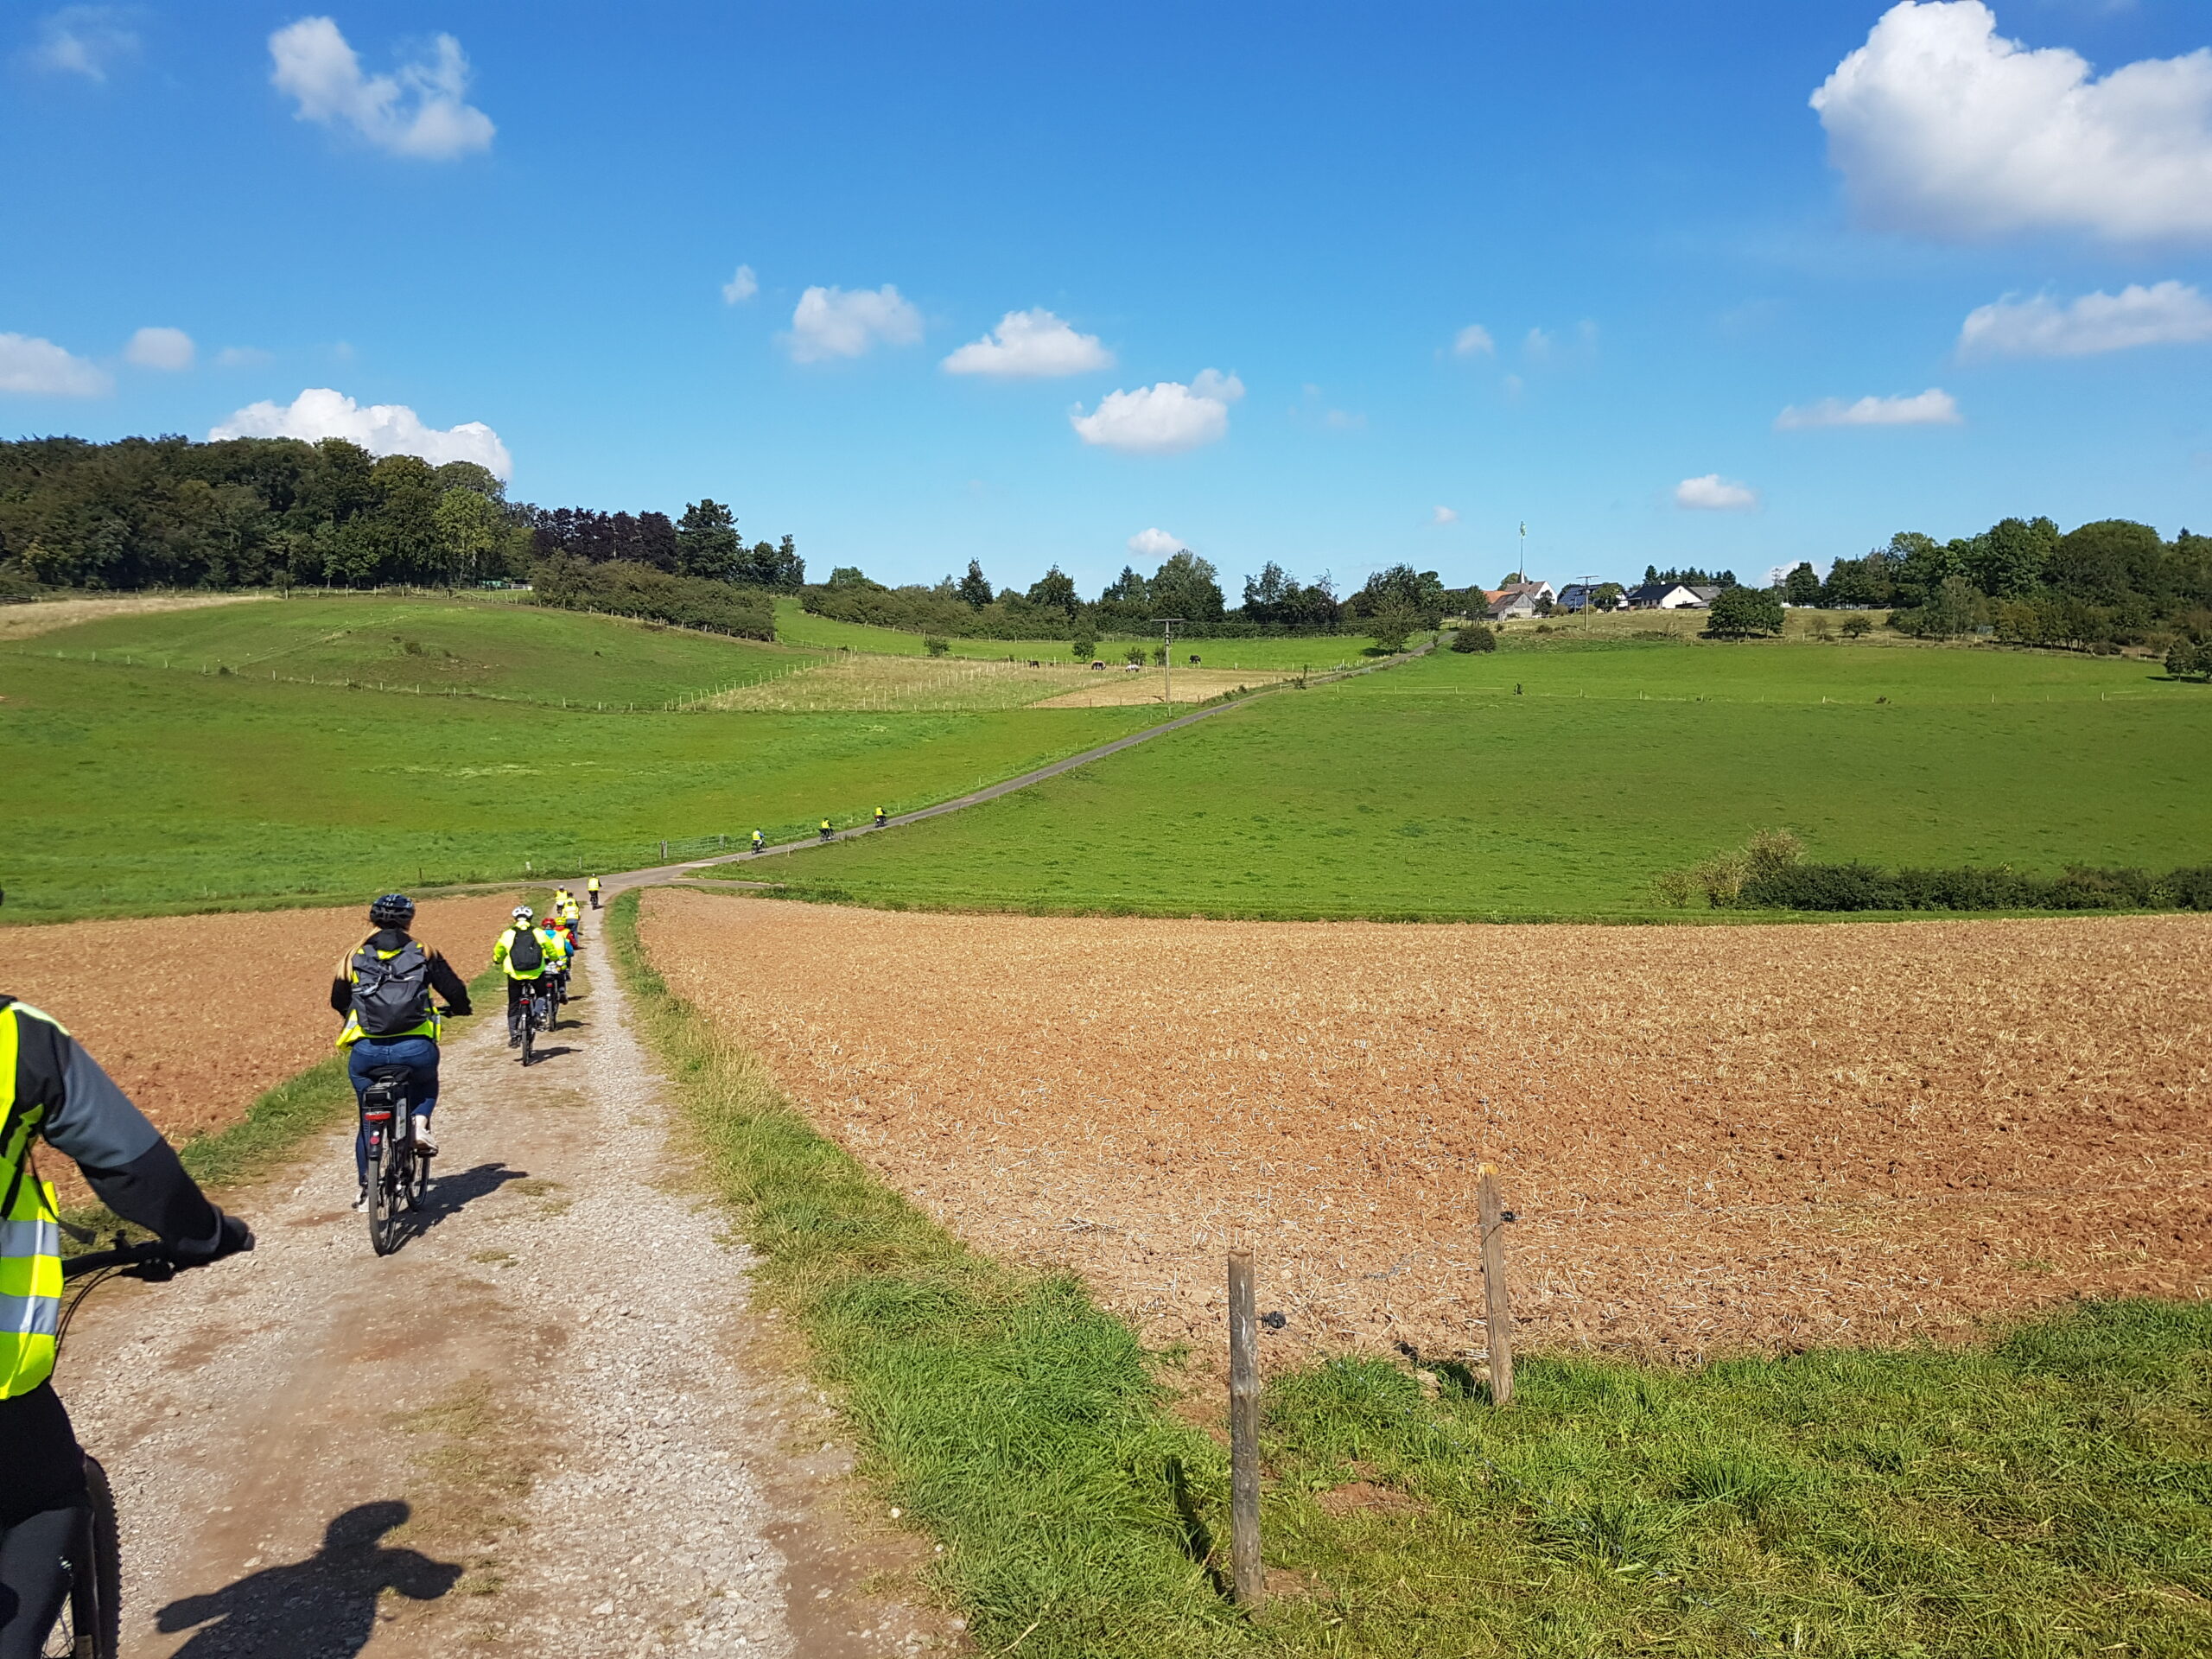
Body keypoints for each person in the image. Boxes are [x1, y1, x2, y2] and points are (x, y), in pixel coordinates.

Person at [0, 995, 252, 1659]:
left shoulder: (354, 956)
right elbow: (136, 1166)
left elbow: (345, 1001)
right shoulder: (16, 1038)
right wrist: (203, 1235)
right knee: (46, 1498)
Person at [330, 894, 471, 1198]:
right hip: (415, 1048)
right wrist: (461, 1009)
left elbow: (338, 1001)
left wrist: (358, 1016)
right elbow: (455, 990)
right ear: (409, 920)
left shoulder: (352, 955)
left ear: (371, 919)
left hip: (366, 1052)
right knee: (426, 1085)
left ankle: (368, 1190)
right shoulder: (424, 951)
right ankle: (419, 1125)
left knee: (368, 1119)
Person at [491, 906, 552, 1047]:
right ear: (530, 919)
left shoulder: (508, 934)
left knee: (513, 1004)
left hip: (515, 974)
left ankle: (514, 1036)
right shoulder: (538, 932)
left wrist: (497, 960)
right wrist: (554, 958)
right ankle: (537, 1014)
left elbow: (499, 951)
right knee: (542, 994)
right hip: (536, 972)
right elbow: (549, 947)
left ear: (515, 919)